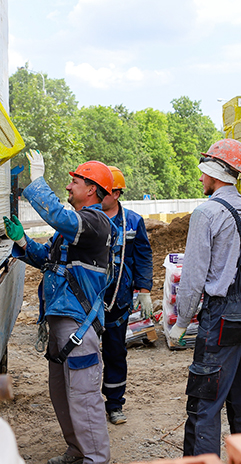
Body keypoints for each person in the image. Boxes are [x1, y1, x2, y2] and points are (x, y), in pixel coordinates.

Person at [3, 153, 115, 464]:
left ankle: (95, 458)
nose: (68, 185)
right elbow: (48, 261)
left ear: (92, 189)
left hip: (78, 323)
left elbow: (60, 217)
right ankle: (77, 450)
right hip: (60, 321)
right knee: (62, 395)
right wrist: (23, 242)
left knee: (83, 398)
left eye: (75, 181)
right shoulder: (72, 232)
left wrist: (37, 183)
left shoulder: (95, 223)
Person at [169, 139, 241, 457]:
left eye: (204, 173)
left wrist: (180, 323)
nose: (201, 179)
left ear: (215, 173)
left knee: (205, 402)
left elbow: (194, 277)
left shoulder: (207, 213)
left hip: (220, 315)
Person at [100, 165, 153, 425]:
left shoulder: (132, 221)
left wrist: (144, 290)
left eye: (104, 191)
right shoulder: (87, 218)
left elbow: (143, 255)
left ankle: (114, 404)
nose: (98, 194)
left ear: (116, 193)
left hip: (118, 301)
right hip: (89, 299)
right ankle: (85, 404)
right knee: (84, 354)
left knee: (115, 352)